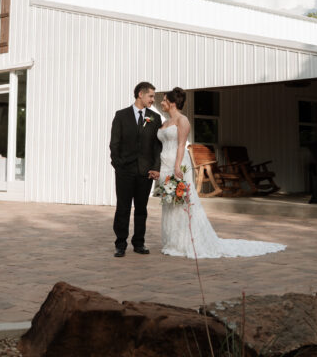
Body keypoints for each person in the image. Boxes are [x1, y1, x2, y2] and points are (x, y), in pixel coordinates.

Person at [158, 87, 286, 258]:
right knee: (169, 202)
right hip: (164, 164)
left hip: (178, 164)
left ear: (173, 103)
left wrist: (177, 166)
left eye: (165, 100)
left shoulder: (183, 121)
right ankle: (172, 240)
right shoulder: (165, 122)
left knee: (181, 201)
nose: (162, 102)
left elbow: (181, 145)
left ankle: (186, 241)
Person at [110, 81, 163, 257]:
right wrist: (118, 165)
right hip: (124, 171)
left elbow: (157, 147)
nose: (153, 100)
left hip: (145, 172)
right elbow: (114, 143)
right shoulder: (121, 115)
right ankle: (120, 244)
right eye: (151, 96)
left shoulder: (154, 119)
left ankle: (139, 243)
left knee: (141, 209)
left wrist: (155, 168)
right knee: (123, 208)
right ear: (140, 94)